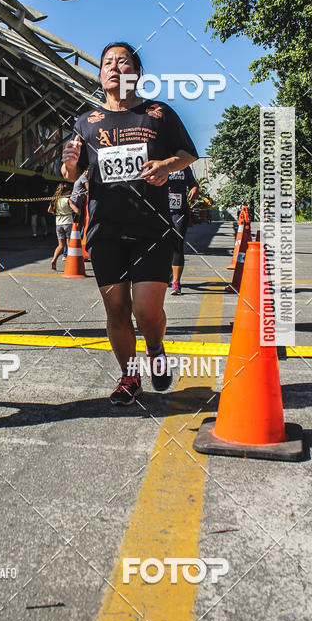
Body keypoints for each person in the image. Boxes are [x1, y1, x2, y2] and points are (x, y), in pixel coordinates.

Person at [62, 41, 198, 405]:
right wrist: (69, 163)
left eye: (123, 62)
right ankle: (129, 375)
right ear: (100, 74)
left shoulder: (158, 114)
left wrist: (166, 165)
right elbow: (70, 172)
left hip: (151, 228)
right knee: (117, 309)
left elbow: (187, 154)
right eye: (107, 62)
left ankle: (155, 349)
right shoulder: (86, 122)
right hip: (105, 230)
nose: (113, 67)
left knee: (146, 310)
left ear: (136, 73)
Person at [167, 165, 199, 294]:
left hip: (180, 211)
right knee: (160, 244)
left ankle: (176, 282)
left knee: (177, 243)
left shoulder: (184, 166)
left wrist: (195, 189)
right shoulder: (158, 162)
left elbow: (193, 183)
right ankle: (165, 274)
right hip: (161, 211)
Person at [48, 182, 73, 270]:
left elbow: (49, 210)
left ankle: (54, 259)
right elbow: (77, 210)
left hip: (58, 224)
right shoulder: (67, 200)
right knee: (70, 244)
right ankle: (71, 263)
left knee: (61, 245)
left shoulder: (55, 199)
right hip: (68, 222)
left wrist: (56, 213)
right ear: (67, 192)